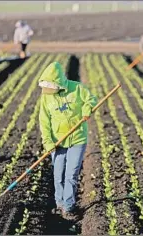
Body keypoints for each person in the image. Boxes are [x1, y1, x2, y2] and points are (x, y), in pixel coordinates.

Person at [38, 61, 97, 219]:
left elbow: (91, 99)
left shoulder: (77, 88)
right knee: (58, 174)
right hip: (57, 142)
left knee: (71, 174)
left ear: (58, 83)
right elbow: (44, 121)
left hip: (77, 138)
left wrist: (86, 109)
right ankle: (59, 203)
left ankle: (69, 207)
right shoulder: (46, 97)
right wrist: (48, 142)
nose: (48, 90)